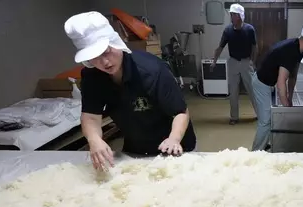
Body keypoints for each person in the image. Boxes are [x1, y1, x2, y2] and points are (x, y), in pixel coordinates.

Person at [64, 11, 196, 171]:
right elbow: (91, 117)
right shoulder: (92, 77)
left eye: (107, 52)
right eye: (95, 56)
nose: (104, 62)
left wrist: (174, 139)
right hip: (136, 146)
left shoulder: (152, 70)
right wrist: (94, 140)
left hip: (174, 145)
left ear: (116, 43)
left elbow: (181, 112)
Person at [250, 23, 303, 151]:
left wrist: (290, 99)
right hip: (261, 83)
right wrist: (286, 107)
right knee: (265, 121)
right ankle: (255, 153)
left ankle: (266, 144)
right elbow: (281, 82)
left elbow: (293, 76)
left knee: (271, 116)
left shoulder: (300, 49)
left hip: (270, 82)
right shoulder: (290, 51)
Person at [211, 4, 258, 125]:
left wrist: (253, 61)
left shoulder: (249, 29)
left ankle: (260, 114)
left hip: (246, 62)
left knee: (252, 90)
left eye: (234, 15)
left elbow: (254, 47)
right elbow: (220, 47)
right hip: (233, 62)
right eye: (231, 14)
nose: (232, 17)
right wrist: (214, 61)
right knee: (233, 91)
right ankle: (234, 117)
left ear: (240, 16)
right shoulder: (228, 30)